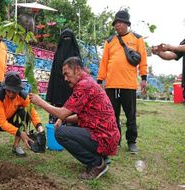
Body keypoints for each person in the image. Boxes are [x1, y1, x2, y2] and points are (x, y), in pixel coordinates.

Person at [29, 57, 120, 180]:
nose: (65, 78)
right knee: (67, 127)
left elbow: (62, 113)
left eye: (67, 74)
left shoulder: (84, 85)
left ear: (77, 70)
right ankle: (101, 157)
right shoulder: (88, 82)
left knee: (61, 133)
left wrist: (40, 102)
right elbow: (82, 116)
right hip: (108, 137)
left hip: (104, 138)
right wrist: (64, 119)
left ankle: (97, 163)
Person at [97, 10, 148, 153]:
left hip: (128, 85)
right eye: (115, 23)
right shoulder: (109, 41)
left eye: (120, 22)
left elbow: (143, 59)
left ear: (127, 24)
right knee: (112, 115)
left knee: (130, 115)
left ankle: (132, 142)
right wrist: (100, 81)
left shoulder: (137, 39)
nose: (117, 25)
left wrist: (144, 77)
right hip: (111, 85)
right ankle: (116, 140)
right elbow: (104, 62)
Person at [0, 71, 44, 156]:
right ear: (4, 88)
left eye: (14, 91)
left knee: (24, 113)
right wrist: (20, 133)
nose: (11, 94)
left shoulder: (23, 96)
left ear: (19, 89)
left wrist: (39, 127)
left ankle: (16, 146)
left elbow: (32, 112)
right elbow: (2, 123)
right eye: (8, 91)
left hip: (10, 118)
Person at [46, 29, 81, 123]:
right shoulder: (57, 54)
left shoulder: (76, 55)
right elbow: (53, 73)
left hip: (71, 89)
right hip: (58, 89)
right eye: (64, 38)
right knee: (57, 113)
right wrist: (51, 93)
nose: (66, 40)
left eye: (68, 38)